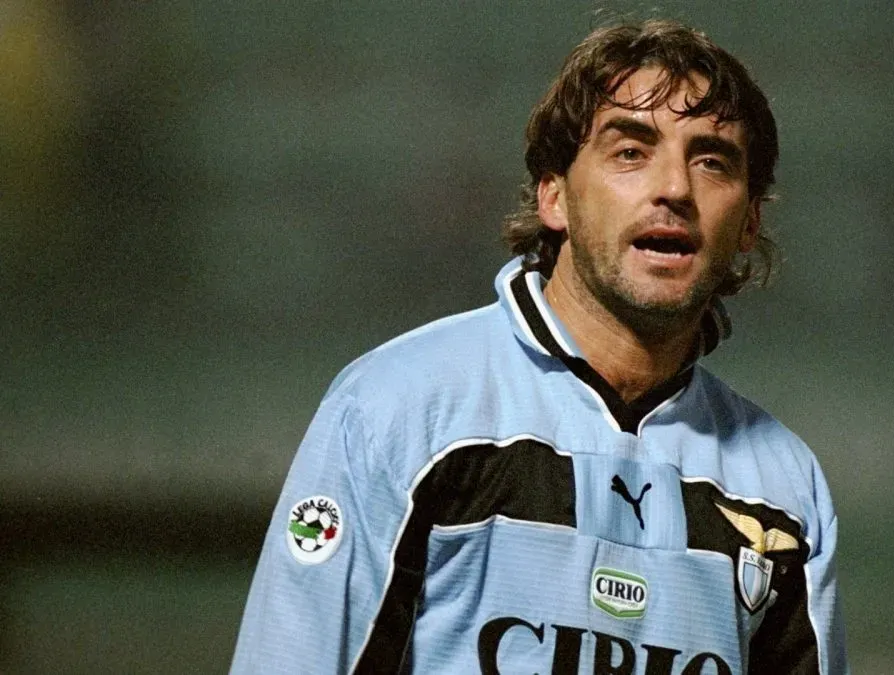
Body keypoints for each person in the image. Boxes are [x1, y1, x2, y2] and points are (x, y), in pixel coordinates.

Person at [231, 19, 847, 674]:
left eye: (712, 161)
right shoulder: (398, 409)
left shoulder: (785, 488)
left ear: (749, 221)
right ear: (555, 196)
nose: (674, 188)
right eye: (630, 152)